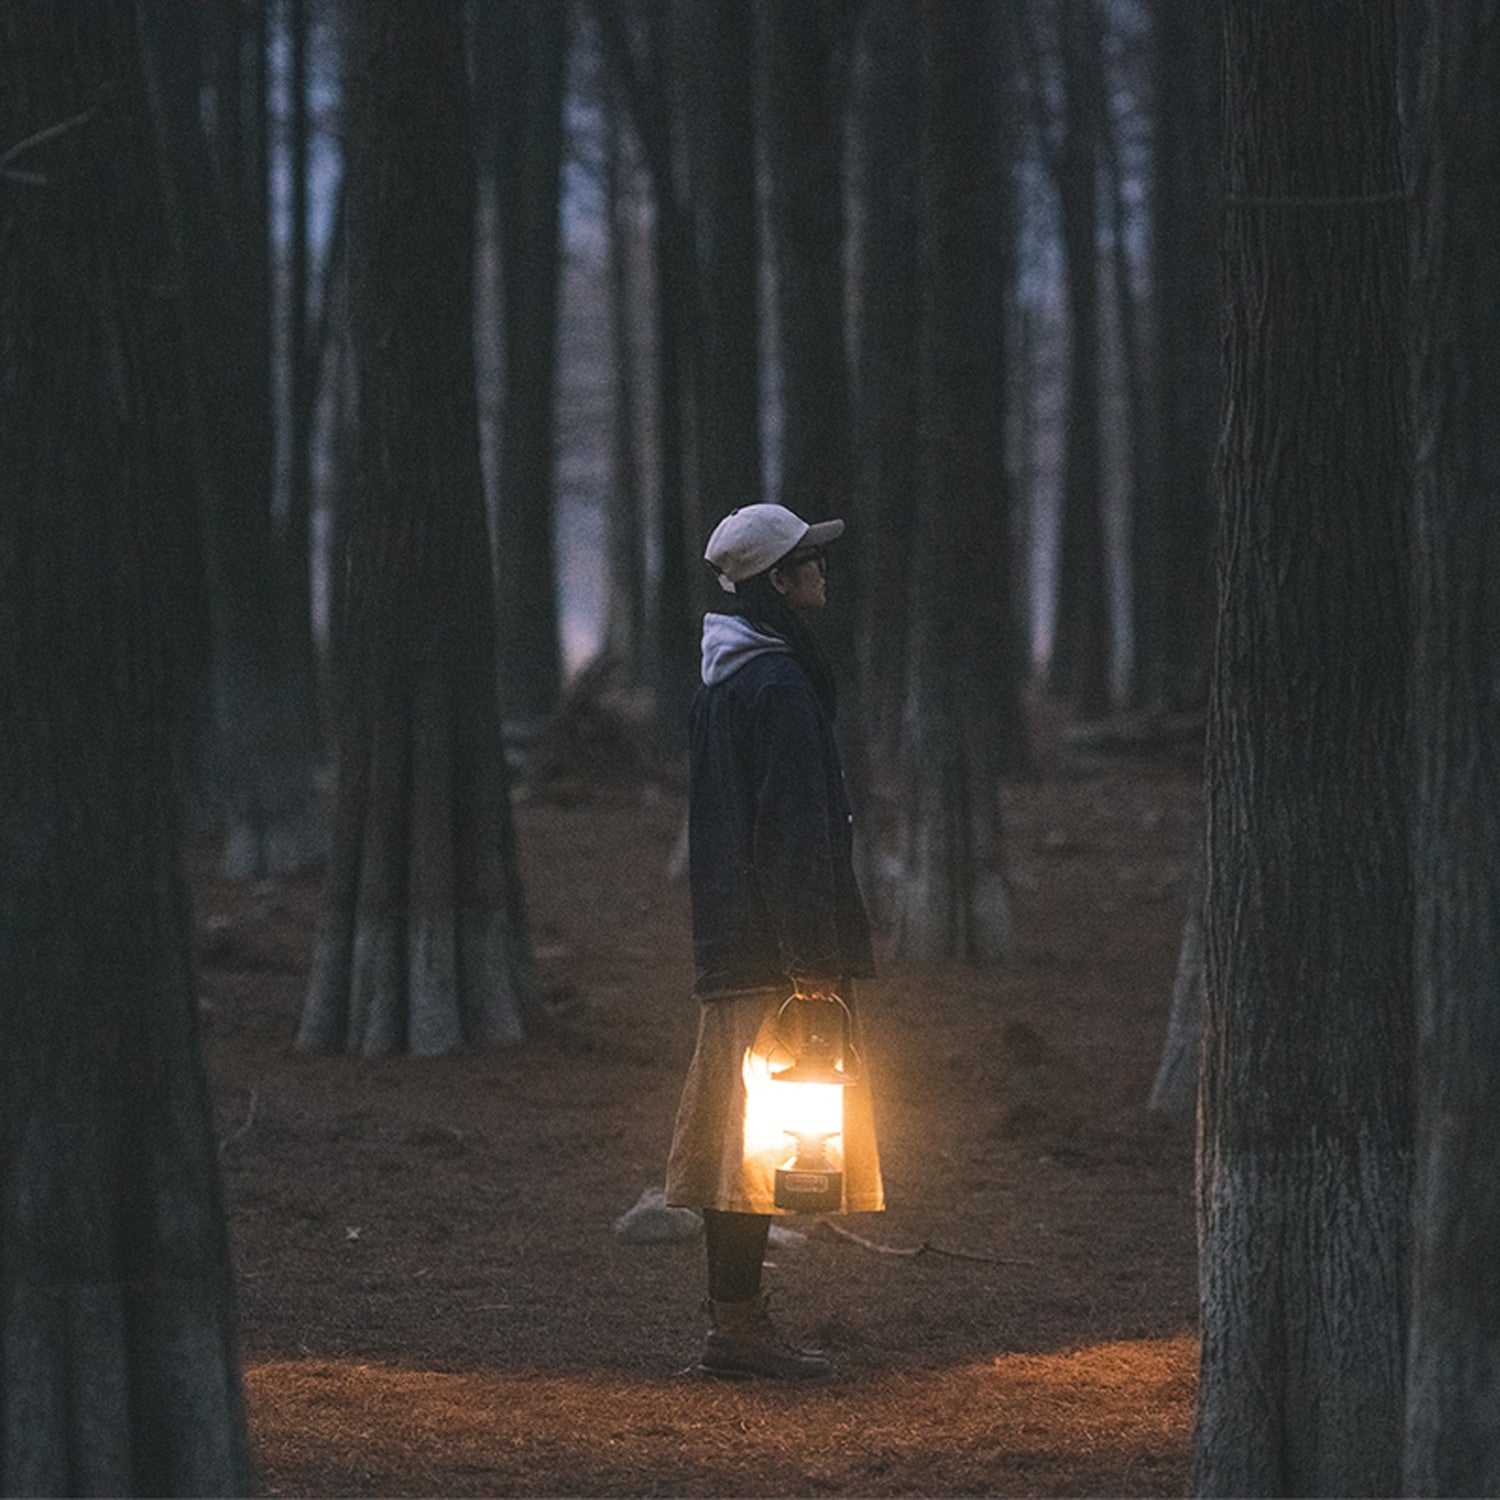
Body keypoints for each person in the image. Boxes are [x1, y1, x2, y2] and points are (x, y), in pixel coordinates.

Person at [665, 502, 884, 1380]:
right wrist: (812, 964)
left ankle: (735, 1322)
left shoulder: (723, 681)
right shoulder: (779, 687)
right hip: (771, 959)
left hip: (733, 945)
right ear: (775, 584)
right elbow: (791, 831)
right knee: (750, 1154)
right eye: (806, 563)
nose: (821, 574)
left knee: (738, 1144)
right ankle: (738, 1332)